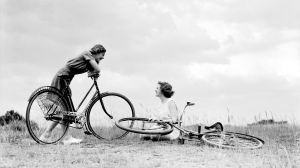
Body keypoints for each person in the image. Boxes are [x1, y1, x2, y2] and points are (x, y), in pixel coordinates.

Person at [40, 44, 106, 145]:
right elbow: (98, 69)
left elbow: (91, 72)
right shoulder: (87, 54)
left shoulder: (89, 60)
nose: (103, 57)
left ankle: (47, 135)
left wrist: (93, 73)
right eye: (102, 54)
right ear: (97, 51)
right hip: (62, 77)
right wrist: (96, 71)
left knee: (65, 112)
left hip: (65, 78)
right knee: (64, 111)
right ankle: (63, 137)